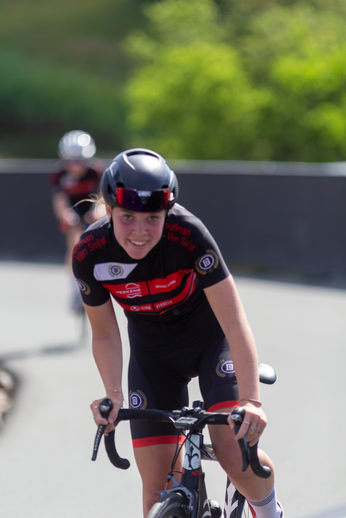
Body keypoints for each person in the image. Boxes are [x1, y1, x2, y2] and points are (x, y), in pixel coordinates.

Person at [72, 148, 284, 517]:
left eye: (153, 217)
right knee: (156, 491)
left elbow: (234, 323)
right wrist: (112, 394)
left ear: (167, 212)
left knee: (234, 454)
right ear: (109, 210)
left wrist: (252, 401)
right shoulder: (91, 252)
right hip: (153, 356)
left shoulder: (189, 234)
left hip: (210, 342)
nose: (140, 231)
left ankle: (269, 511)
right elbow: (104, 333)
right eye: (127, 218)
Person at [51, 130, 105, 311]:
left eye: (79, 161)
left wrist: (98, 211)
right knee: (74, 243)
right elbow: (59, 200)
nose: (74, 165)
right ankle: (74, 291)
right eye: (70, 161)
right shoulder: (59, 174)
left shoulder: (97, 171)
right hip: (73, 210)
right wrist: (66, 216)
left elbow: (102, 196)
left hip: (92, 207)